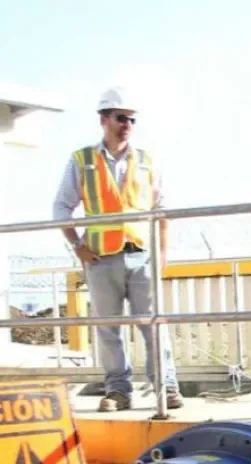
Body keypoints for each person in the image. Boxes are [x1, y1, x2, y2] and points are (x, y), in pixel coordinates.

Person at [52, 86, 183, 412]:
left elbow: (162, 211)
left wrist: (162, 255)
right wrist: (77, 246)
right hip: (100, 258)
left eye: (132, 119)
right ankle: (118, 391)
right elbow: (61, 207)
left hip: (140, 255)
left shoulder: (146, 160)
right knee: (109, 330)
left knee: (153, 325)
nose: (127, 124)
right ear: (104, 120)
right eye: (121, 118)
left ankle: (166, 389)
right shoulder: (82, 160)